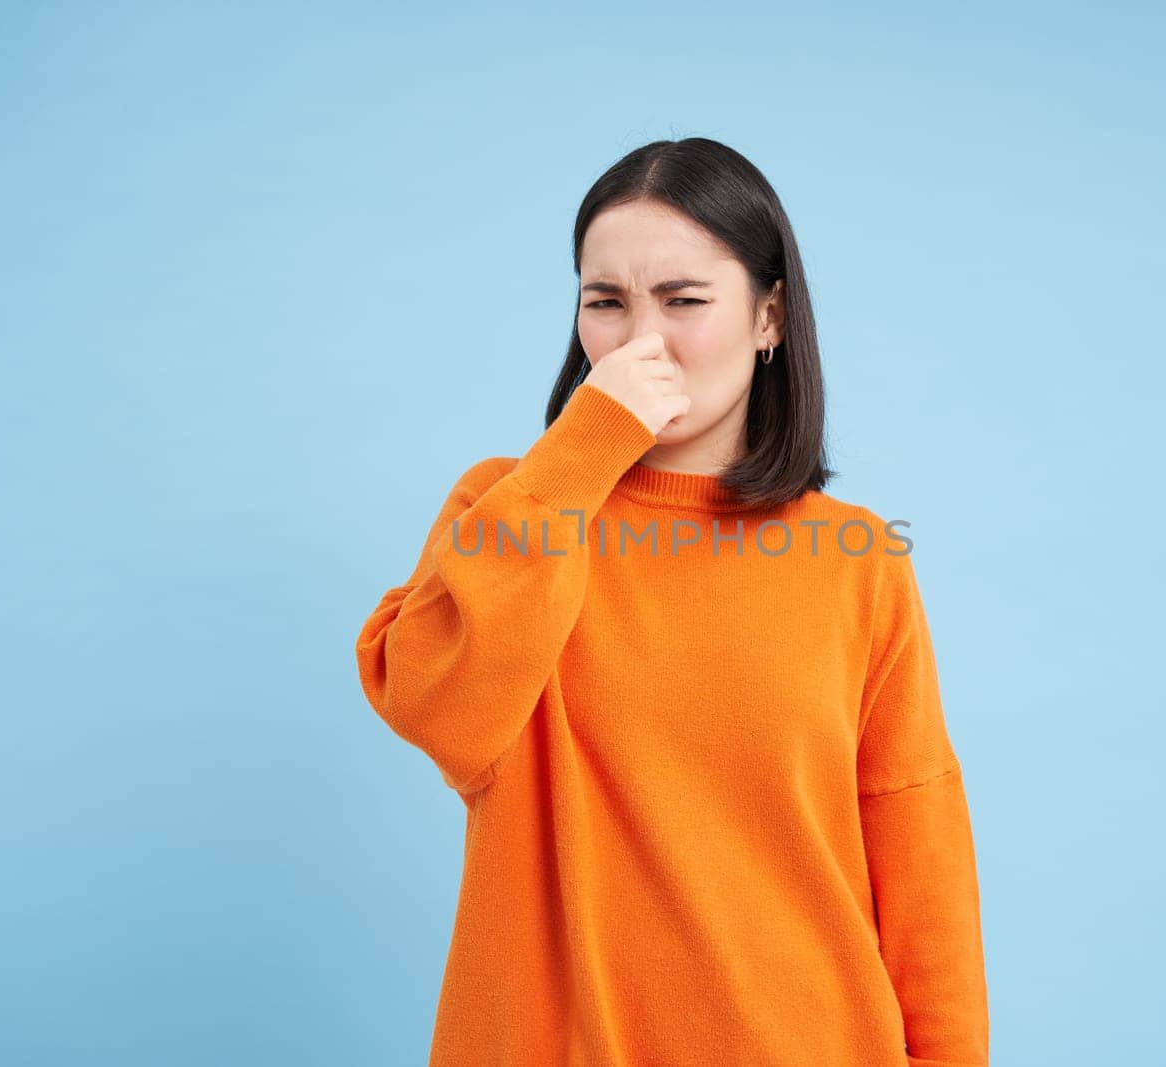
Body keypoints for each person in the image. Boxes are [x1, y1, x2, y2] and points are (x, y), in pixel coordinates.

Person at [354, 137, 989, 1066]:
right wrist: (582, 451)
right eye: (604, 302)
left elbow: (917, 848)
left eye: (684, 300)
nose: (639, 341)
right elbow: (434, 702)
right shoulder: (513, 510)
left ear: (769, 318)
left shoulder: (855, 559)